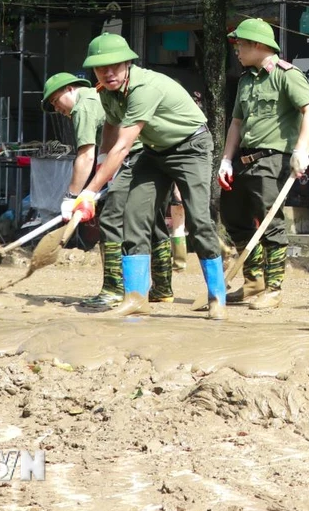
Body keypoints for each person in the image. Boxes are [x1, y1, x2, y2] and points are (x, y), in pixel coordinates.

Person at [70, 34, 226, 319]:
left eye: (114, 66)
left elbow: (125, 145)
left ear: (128, 63)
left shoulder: (143, 88)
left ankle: (217, 298)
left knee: (198, 219)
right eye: (100, 68)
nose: (107, 73)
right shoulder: (106, 91)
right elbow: (111, 128)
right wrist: (103, 162)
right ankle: (136, 297)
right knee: (134, 214)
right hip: (155, 152)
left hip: (191, 146)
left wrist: (89, 192)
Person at [41, 72, 174, 307]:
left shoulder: (83, 107)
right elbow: (106, 143)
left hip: (136, 158)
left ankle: (113, 289)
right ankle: (162, 288)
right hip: (160, 155)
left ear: (70, 89)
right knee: (154, 221)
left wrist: (72, 196)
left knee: (113, 219)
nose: (57, 109)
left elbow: (85, 156)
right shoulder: (99, 95)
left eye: (55, 101)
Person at [219, 18, 309, 310]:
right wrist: (226, 159)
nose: (236, 49)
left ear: (258, 45)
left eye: (240, 44)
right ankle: (253, 283)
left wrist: (300, 150)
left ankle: (274, 289)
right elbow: (237, 122)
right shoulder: (246, 80)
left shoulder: (287, 75)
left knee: (270, 224)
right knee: (232, 216)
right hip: (244, 160)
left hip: (272, 159)